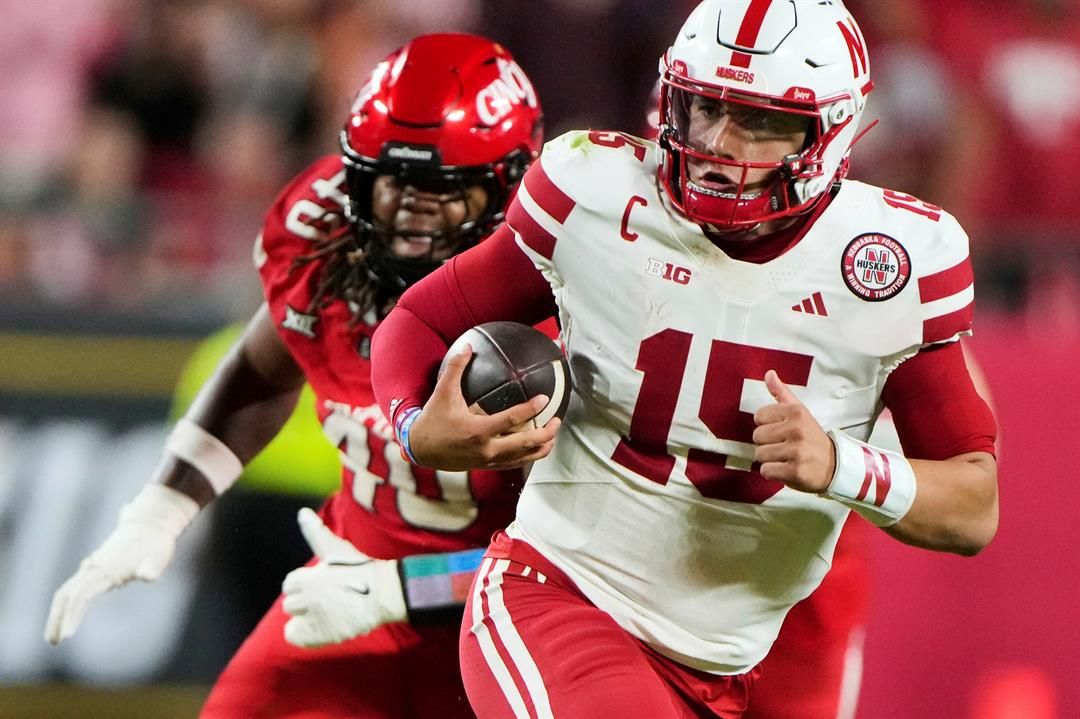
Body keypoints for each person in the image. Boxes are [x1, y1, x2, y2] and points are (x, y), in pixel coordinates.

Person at [370, 2, 999, 717]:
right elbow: (422, 318)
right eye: (704, 108)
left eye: (761, 120)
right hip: (559, 592)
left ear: (831, 129)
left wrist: (842, 465)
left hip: (727, 661)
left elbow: (973, 507)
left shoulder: (886, 264)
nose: (721, 143)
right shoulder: (595, 192)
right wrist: (418, 426)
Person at [45, 33, 544, 718]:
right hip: (346, 579)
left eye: (444, 191)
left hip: (512, 624)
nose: (408, 214)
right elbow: (265, 365)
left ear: (511, 185)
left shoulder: (569, 306)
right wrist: (158, 512)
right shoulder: (327, 235)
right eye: (393, 182)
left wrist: (400, 588)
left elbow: (591, 563)